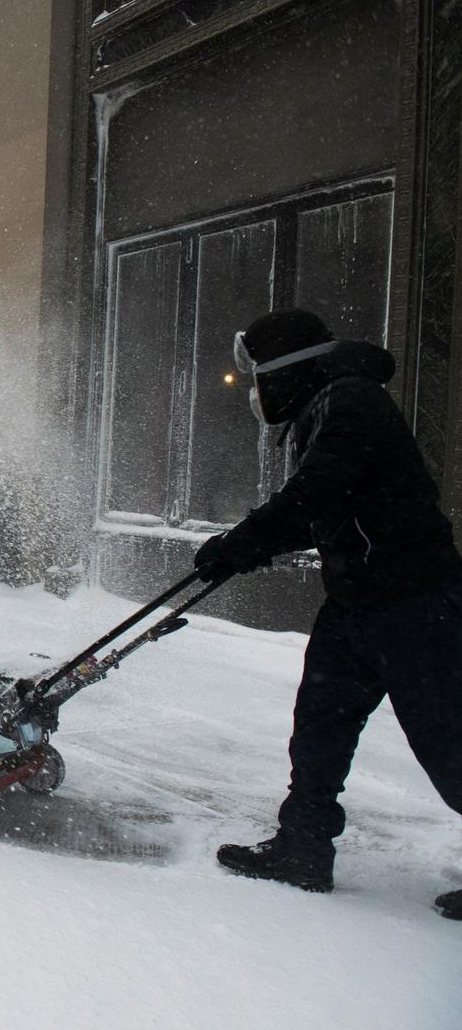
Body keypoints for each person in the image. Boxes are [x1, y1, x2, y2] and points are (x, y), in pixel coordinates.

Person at [192, 308, 462, 920]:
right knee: (320, 725)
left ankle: (305, 844)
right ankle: (304, 847)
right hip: (358, 601)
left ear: (289, 370)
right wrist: (247, 546)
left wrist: (240, 544)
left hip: (415, 605)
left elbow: (317, 495)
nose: (256, 392)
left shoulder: (352, 402)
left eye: (259, 376)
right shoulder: (326, 404)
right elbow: (324, 509)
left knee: (449, 742)